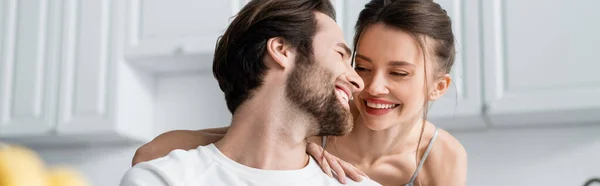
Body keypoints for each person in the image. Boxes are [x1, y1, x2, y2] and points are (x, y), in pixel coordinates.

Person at [132, 0, 467, 185]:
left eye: (399, 73)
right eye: (360, 65)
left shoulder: (440, 159)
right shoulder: (326, 111)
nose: (368, 85)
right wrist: (298, 144)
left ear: (439, 86)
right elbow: (248, 140)